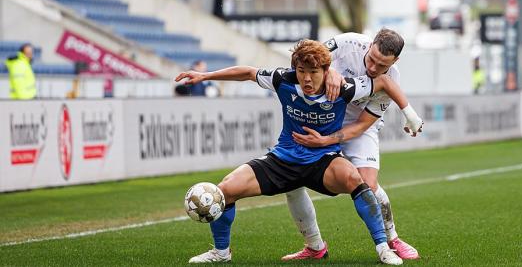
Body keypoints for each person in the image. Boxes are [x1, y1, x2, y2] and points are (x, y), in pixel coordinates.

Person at [175, 39, 413, 265]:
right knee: (225, 189)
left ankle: (383, 247)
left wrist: (409, 114)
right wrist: (205, 76)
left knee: (356, 180)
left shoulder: (343, 88)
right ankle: (221, 252)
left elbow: (384, 83)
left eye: (313, 72)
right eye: (301, 71)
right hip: (284, 158)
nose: (306, 79)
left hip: (324, 160)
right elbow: (248, 72)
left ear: (327, 71)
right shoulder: (283, 79)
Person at [282, 29, 423, 261]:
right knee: (291, 178)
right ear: (370, 45)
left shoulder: (391, 81)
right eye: (372, 59)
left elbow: (360, 126)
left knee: (368, 185)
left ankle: (392, 238)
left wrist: (326, 141)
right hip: (319, 117)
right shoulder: (346, 43)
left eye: (382, 65)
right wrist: (331, 74)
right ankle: (314, 246)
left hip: (356, 125)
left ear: (395, 61)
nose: (373, 68)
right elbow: (307, 58)